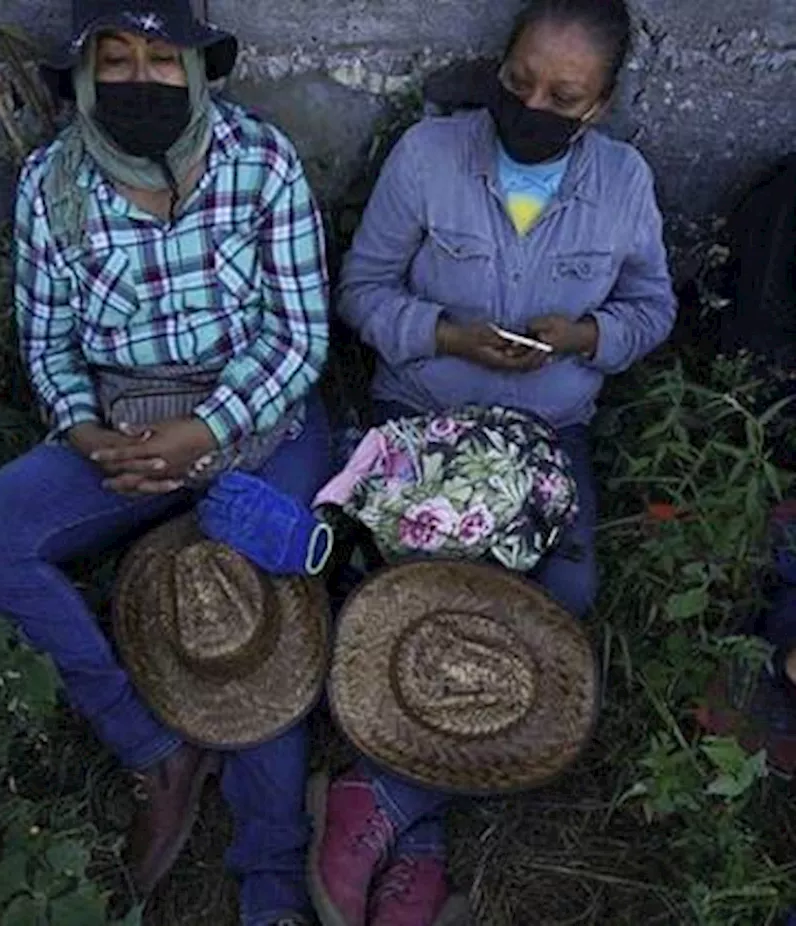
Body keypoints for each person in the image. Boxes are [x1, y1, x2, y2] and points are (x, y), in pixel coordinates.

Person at [0, 2, 332, 923]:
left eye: (162, 59)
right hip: (120, 419)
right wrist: (86, 435)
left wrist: (205, 430)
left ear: (198, 70)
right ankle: (153, 748)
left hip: (255, 414)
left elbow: (298, 338)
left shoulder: (260, 162)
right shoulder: (52, 186)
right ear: (81, 76)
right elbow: (48, 347)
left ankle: (270, 874)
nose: (139, 81)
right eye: (114, 60)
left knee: (264, 593)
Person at [306, 0, 677, 923]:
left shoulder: (624, 182)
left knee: (567, 596)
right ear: (497, 68)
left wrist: (588, 334)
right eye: (519, 83)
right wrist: (447, 335)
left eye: (564, 95)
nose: (534, 105)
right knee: (408, 588)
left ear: (601, 103)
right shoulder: (430, 157)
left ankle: (383, 799)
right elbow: (360, 289)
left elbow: (652, 307)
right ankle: (423, 833)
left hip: (552, 436)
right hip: (425, 411)